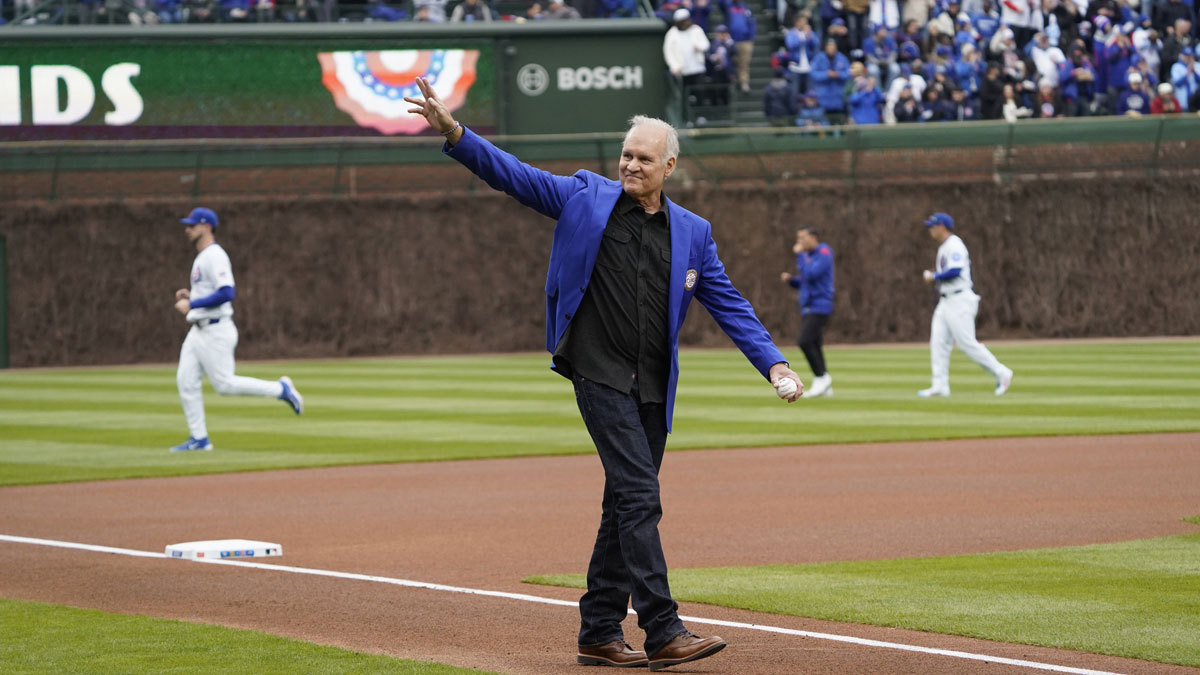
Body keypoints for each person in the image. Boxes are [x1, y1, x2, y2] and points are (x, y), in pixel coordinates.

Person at [403, 78, 803, 671]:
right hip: (597, 370)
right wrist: (457, 134)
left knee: (623, 503)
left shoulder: (693, 232)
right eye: (626, 154)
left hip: (652, 385)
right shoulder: (584, 196)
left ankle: (597, 630)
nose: (631, 165)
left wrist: (774, 363)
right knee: (641, 496)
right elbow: (514, 175)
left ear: (669, 166)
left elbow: (729, 304)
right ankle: (663, 630)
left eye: (644, 158)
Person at [171, 207, 303, 452]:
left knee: (224, 384)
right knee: (185, 381)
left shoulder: (215, 255)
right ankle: (199, 439)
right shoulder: (202, 256)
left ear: (207, 226)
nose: (187, 229)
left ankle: (281, 389)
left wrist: (192, 303)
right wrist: (194, 296)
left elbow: (227, 292)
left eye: (192, 225)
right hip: (198, 331)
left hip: (216, 331)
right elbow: (212, 291)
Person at [918, 212, 1013, 398]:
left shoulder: (954, 245)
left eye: (932, 226)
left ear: (942, 227)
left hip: (960, 300)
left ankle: (1002, 373)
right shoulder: (944, 246)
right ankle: (939, 385)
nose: (930, 229)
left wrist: (934, 276)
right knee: (938, 342)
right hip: (946, 301)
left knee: (967, 343)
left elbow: (955, 270)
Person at [781, 228, 834, 396]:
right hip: (808, 305)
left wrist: (799, 256)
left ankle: (821, 378)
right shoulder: (809, 256)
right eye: (798, 238)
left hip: (820, 305)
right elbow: (804, 281)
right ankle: (824, 383)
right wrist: (791, 280)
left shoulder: (824, 252)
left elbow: (811, 274)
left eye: (803, 238)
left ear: (813, 238)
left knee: (804, 341)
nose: (800, 242)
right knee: (815, 344)